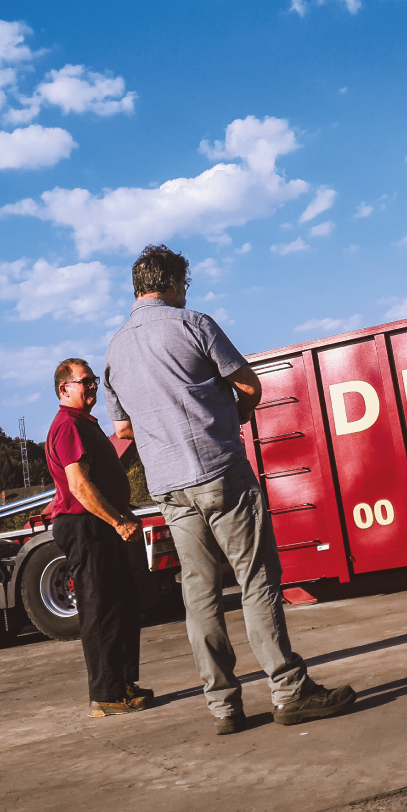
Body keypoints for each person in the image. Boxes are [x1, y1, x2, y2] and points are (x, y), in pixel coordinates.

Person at [103, 244, 356, 735]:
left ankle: (223, 707)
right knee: (256, 580)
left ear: (137, 288)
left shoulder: (114, 351)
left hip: (170, 489)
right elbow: (250, 386)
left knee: (199, 596)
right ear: (175, 284)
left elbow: (125, 429)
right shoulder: (192, 324)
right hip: (219, 471)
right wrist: (228, 414)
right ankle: (289, 691)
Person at [46, 357, 154, 717]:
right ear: (64, 389)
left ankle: (123, 684)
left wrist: (122, 515)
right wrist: (117, 521)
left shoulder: (83, 424)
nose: (92, 387)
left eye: (93, 381)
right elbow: (79, 485)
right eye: (85, 382)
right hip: (86, 528)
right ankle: (105, 695)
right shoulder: (68, 426)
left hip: (101, 525)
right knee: (101, 608)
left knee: (122, 603)